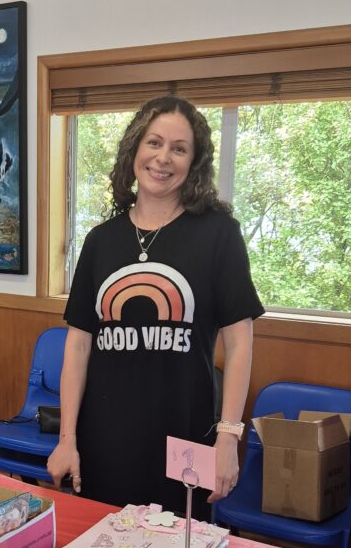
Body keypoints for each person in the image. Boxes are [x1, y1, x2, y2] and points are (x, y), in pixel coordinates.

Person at [47, 95, 263, 516]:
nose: (164, 158)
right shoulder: (100, 241)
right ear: (135, 150)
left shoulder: (219, 235)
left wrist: (228, 438)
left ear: (193, 163)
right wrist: (67, 439)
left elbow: (239, 346)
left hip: (186, 441)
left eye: (179, 149)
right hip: (105, 440)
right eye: (154, 143)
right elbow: (77, 346)